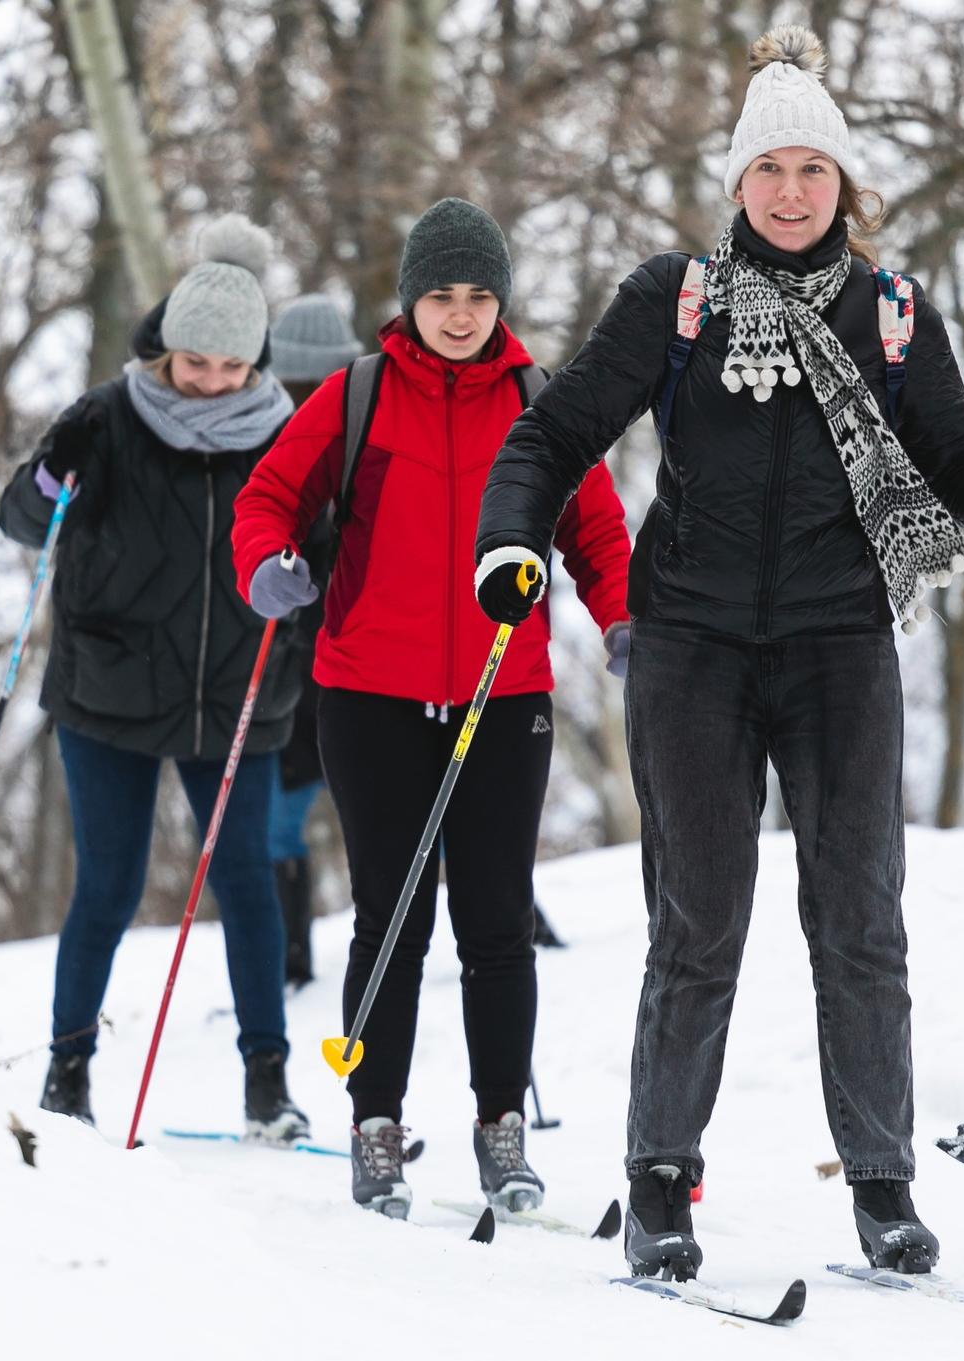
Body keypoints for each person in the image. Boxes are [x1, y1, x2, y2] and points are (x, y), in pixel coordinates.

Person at [474, 28, 964, 1281]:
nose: (794, 192)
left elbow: (956, 456)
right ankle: (660, 1181)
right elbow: (550, 437)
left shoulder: (894, 314)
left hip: (836, 648)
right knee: (698, 921)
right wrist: (508, 545)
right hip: (691, 646)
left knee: (860, 919)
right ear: (739, 183)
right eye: (772, 170)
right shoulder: (676, 298)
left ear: (846, 187)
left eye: (816, 170)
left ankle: (883, 1185)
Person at [233, 198, 633, 1218]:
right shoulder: (355, 394)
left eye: (478, 295)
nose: (459, 315)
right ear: (410, 300)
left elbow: (595, 529)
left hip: (504, 693)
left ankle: (502, 1127)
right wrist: (266, 568)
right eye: (441, 296)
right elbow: (267, 497)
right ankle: (377, 1124)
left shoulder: (541, 400)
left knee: (495, 920)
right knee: (391, 915)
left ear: (501, 300)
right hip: (368, 691)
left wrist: (625, 618)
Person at [0, 216, 306, 1140]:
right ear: (168, 349)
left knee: (247, 878)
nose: (210, 382)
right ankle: (68, 1070)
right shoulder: (105, 416)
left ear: (254, 363)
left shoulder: (286, 432)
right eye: (194, 363)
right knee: (110, 882)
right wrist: (48, 483)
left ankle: (267, 1082)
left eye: (230, 367)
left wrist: (308, 579)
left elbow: (327, 541)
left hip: (236, 691)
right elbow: (24, 518)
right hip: (110, 692)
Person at [261, 294, 365, 987]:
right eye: (295, 385)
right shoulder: (264, 449)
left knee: (424, 808)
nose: (307, 399)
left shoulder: (369, 442)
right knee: (277, 819)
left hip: (364, 662)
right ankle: (287, 957)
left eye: (323, 382)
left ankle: (518, 922)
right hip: (288, 673)